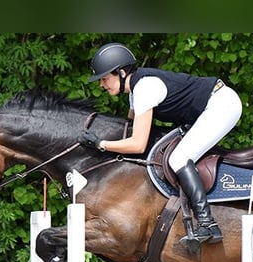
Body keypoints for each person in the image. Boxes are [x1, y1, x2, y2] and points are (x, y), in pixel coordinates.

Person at [79, 42, 243, 245]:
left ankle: (207, 223)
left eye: (104, 78)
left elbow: (138, 144)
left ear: (121, 73)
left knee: (179, 159)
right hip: (208, 107)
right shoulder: (136, 91)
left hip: (222, 105)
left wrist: (100, 144)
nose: (101, 85)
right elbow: (130, 126)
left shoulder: (145, 89)